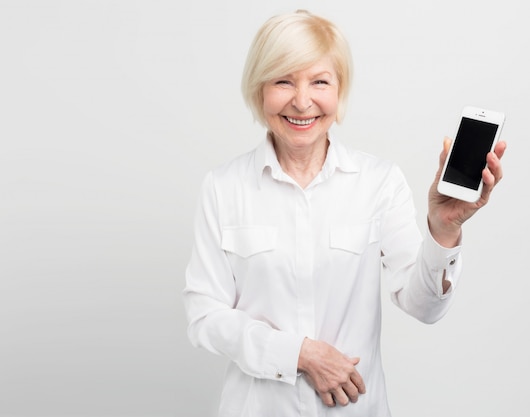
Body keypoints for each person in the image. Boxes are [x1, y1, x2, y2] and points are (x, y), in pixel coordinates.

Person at [182, 9, 506, 417]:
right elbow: (204, 315)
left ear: (339, 91)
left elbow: (424, 307)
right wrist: (299, 354)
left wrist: (443, 232)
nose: (302, 101)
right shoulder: (223, 187)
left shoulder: (379, 182)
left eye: (320, 81)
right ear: (259, 89)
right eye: (283, 80)